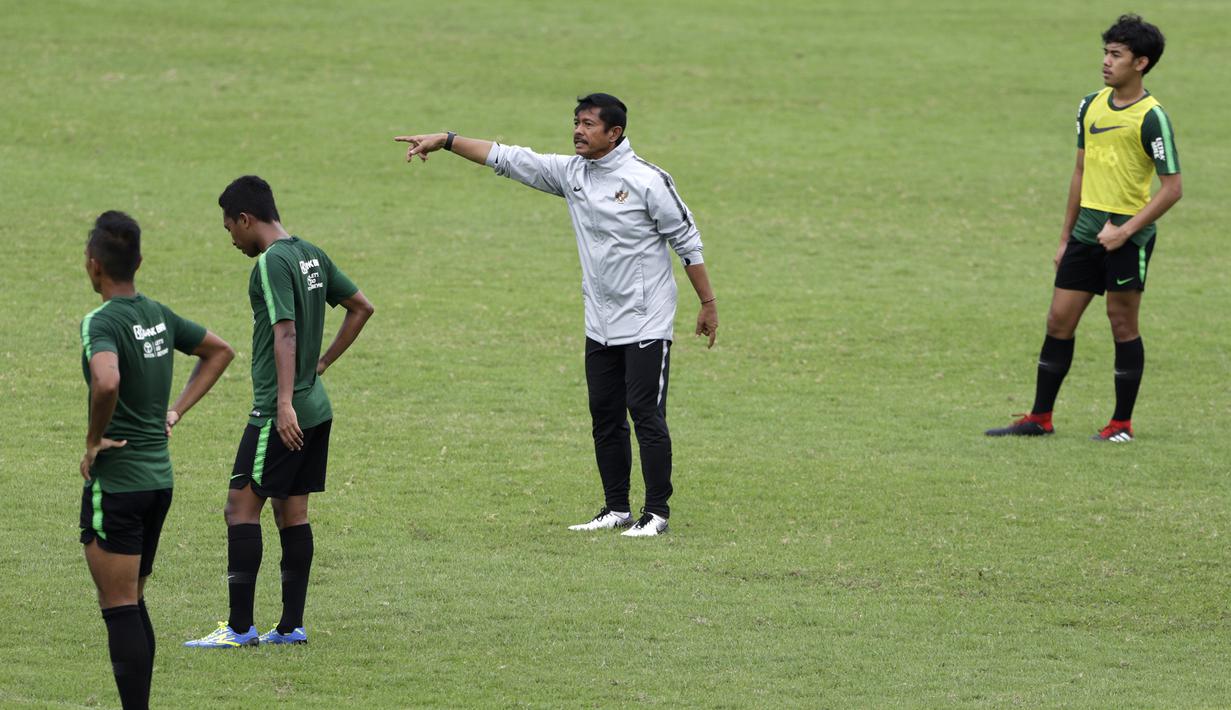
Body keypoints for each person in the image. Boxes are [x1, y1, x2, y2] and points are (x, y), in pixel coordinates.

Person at [394, 93, 717, 537]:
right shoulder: (572, 173)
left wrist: (708, 304)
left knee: (644, 412)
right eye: (576, 122)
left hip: (646, 319)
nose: (578, 131)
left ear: (614, 133)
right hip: (599, 321)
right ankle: (617, 508)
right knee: (604, 414)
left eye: (588, 124)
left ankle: (656, 512)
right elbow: (507, 158)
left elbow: (688, 242)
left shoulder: (647, 180)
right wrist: (447, 140)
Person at [185, 176, 374, 648]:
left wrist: (284, 402)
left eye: (230, 228)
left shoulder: (271, 263)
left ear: (246, 219)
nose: (231, 239)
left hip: (278, 412)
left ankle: (240, 628)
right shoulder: (311, 253)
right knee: (293, 515)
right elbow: (361, 307)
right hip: (317, 407)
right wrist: (322, 364)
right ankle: (290, 627)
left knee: (240, 508)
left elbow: (284, 332)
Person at [987, 15, 1181, 442]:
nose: (1106, 62)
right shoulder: (1089, 104)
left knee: (1122, 324)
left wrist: (1125, 232)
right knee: (1058, 320)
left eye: (1116, 55)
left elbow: (1172, 189)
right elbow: (1079, 172)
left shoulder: (1153, 118)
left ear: (1141, 63)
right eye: (1105, 53)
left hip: (1127, 237)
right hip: (1086, 231)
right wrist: (1064, 238)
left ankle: (1121, 424)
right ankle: (1040, 417)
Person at [79, 211, 234, 708]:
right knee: (134, 600)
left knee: (119, 606)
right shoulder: (159, 316)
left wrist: (93, 440)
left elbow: (106, 380)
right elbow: (219, 351)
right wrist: (175, 412)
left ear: (92, 266)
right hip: (159, 483)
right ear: (139, 262)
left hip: (120, 483)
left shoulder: (102, 321)